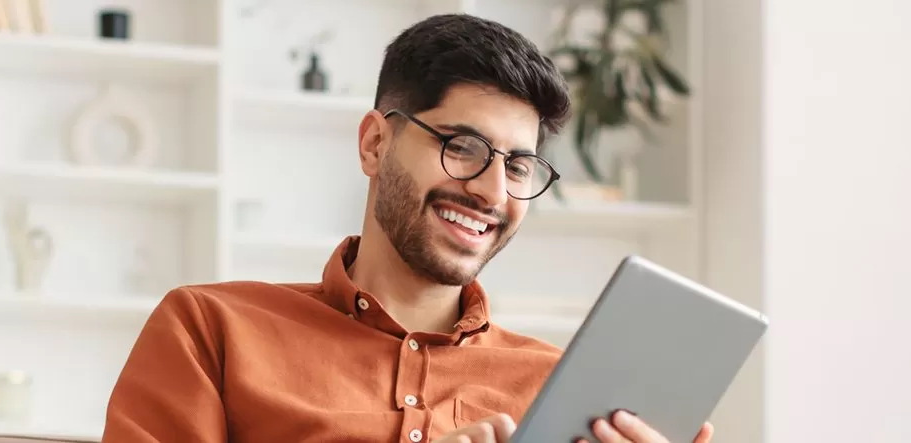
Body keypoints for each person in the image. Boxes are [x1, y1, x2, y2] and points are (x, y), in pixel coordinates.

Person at [100, 13, 714, 443]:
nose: (492, 193)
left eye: (519, 165)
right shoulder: (211, 331)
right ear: (374, 143)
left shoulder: (567, 392)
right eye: (463, 146)